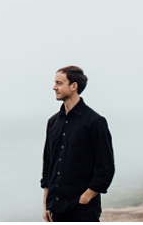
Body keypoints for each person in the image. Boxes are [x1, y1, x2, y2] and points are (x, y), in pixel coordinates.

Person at [41, 66, 115, 222]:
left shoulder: (95, 122)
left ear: (74, 86)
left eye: (59, 83)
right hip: (56, 208)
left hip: (83, 210)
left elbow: (106, 167)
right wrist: (46, 203)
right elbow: (48, 165)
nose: (54, 87)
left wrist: (86, 198)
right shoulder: (53, 122)